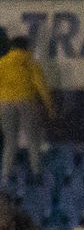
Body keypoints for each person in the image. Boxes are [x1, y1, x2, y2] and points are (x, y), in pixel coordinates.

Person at [0, 37, 53, 184]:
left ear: (12, 47)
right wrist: (50, 108)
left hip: (4, 103)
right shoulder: (30, 63)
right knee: (32, 140)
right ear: (27, 47)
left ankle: (5, 175)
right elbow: (41, 86)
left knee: (10, 142)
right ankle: (36, 173)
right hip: (26, 102)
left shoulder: (2, 63)